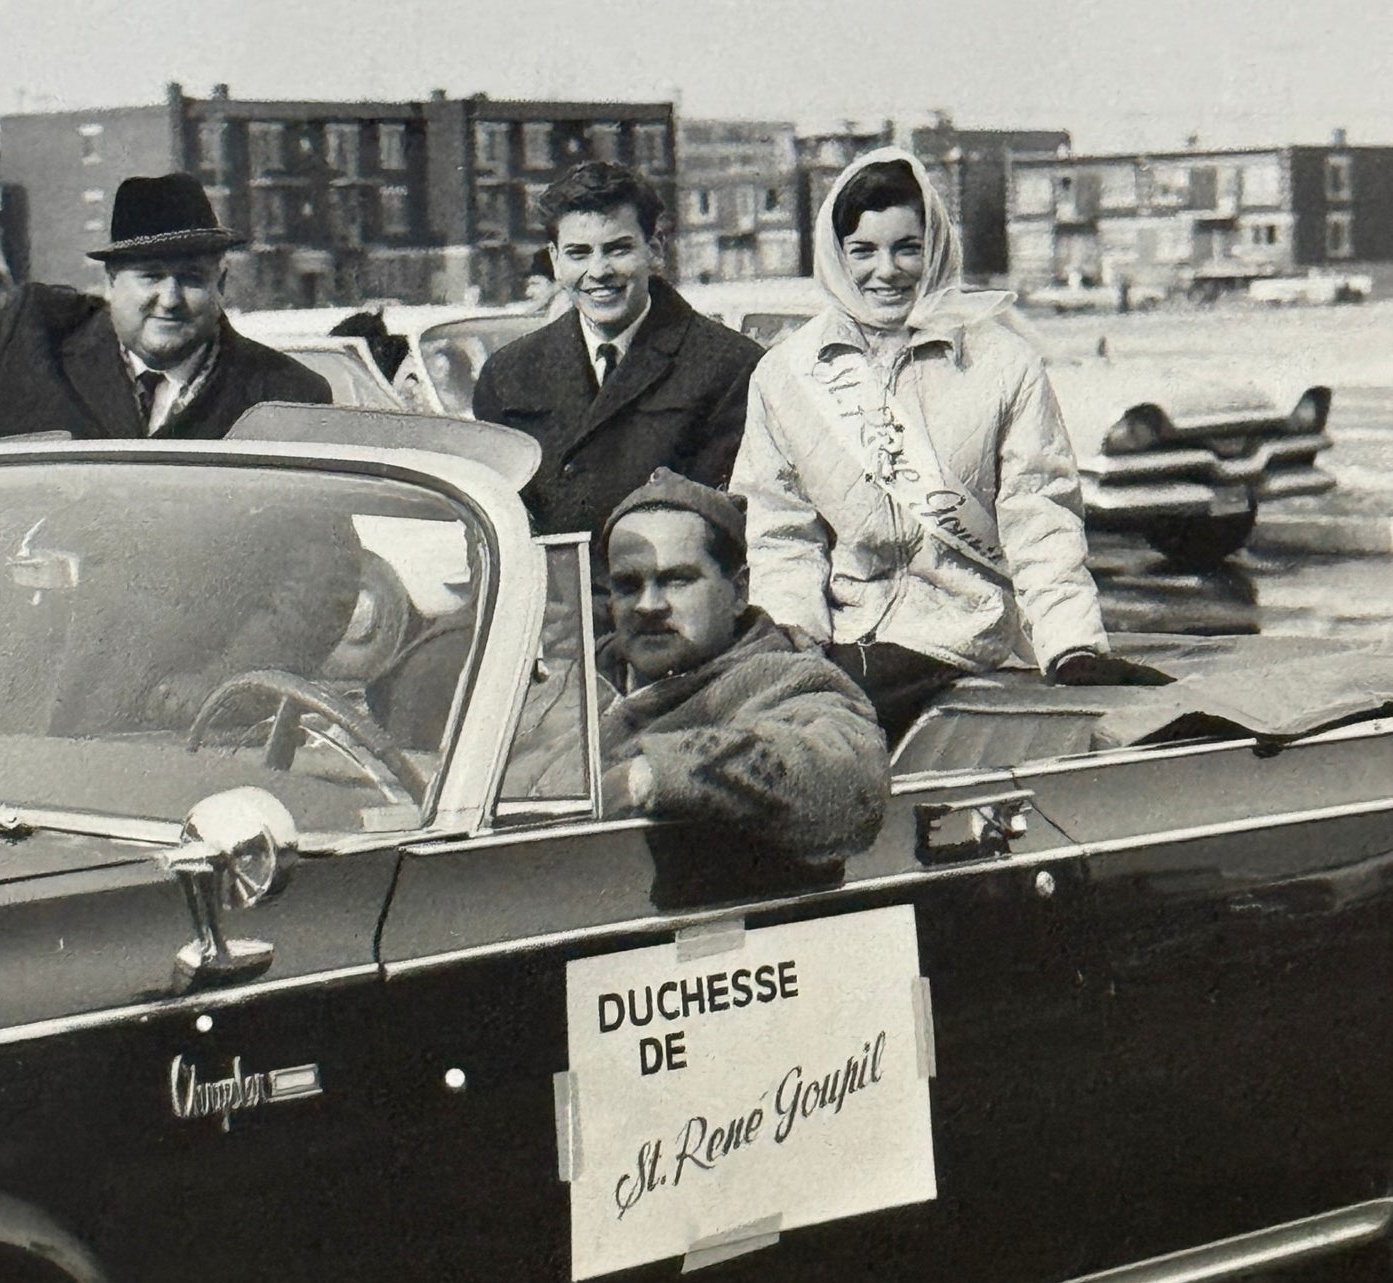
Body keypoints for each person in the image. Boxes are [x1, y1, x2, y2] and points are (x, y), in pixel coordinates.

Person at [730, 148, 1168, 743]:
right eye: (863, 250)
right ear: (836, 257)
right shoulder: (786, 373)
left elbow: (1040, 518)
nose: (886, 270)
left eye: (907, 247)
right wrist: (792, 629)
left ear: (934, 247)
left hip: (960, 628)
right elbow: (780, 531)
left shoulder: (1002, 366)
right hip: (841, 631)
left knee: (810, 724)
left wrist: (1070, 644)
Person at [520, 470, 890, 906]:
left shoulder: (784, 679)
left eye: (677, 580)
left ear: (737, 591)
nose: (649, 605)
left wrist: (645, 778)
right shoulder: (572, 675)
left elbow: (850, 778)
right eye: (627, 585)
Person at [472, 161, 763, 541]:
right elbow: (491, 528)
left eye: (618, 249)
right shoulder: (508, 374)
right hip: (554, 597)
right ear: (555, 259)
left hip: (661, 595)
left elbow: (730, 531)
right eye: (578, 253)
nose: (599, 271)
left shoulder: (731, 367)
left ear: (654, 249)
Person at [0, 172, 330, 442]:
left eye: (192, 278)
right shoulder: (33, 340)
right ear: (111, 282)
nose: (170, 299)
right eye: (151, 276)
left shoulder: (288, 395)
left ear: (221, 285)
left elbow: (316, 541)